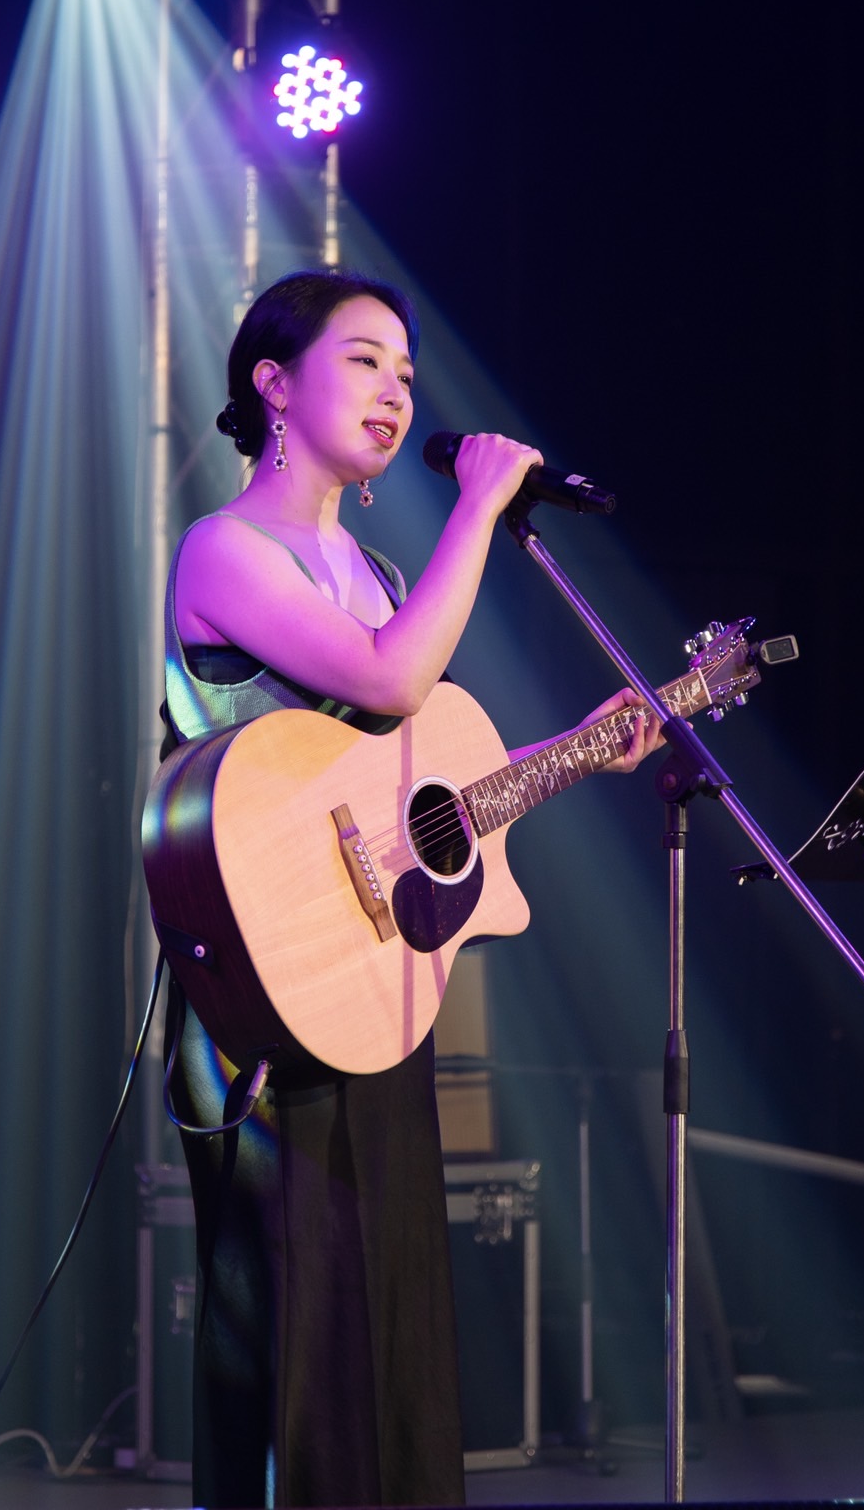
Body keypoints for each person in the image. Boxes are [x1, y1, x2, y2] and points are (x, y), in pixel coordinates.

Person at [158, 267, 659, 1509]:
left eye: (405, 370)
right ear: (274, 382)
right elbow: (389, 684)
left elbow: (408, 798)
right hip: (257, 991)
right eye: (364, 359)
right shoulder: (225, 549)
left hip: (368, 983)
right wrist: (479, 506)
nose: (395, 390)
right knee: (293, 1327)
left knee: (390, 1319)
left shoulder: (379, 572)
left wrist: (577, 748)